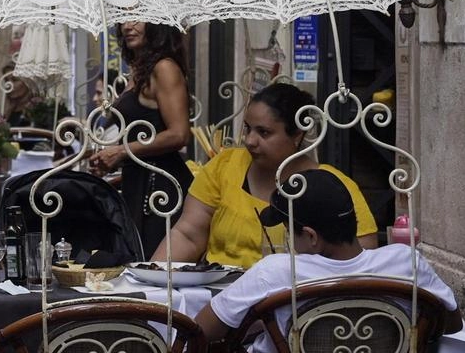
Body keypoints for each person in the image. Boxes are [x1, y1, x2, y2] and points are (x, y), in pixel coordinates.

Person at [195, 170, 461, 353]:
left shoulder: (276, 272)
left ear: (311, 237)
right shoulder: (406, 263)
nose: (289, 240)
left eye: (289, 231)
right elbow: (450, 324)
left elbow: (201, 332)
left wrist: (260, 323)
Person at [150, 83, 378, 268]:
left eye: (264, 132)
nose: (250, 140)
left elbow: (361, 254)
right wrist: (153, 281)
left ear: (297, 135)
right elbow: (188, 234)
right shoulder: (226, 165)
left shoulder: (333, 186)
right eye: (248, 128)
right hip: (220, 296)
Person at [88, 22, 195, 256]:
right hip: (138, 181)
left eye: (137, 18)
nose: (128, 26)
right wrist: (113, 158)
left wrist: (122, 151)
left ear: (158, 25)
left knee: (152, 268)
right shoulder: (139, 70)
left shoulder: (164, 68)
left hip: (161, 189)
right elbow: (140, 131)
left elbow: (179, 134)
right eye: (124, 19)